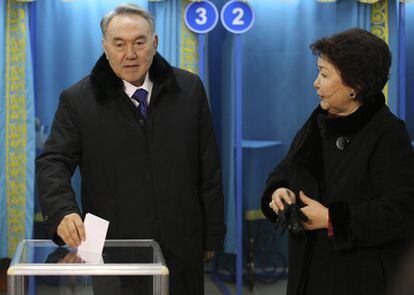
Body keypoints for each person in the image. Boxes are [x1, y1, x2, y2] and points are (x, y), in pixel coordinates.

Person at [36, 4, 226, 294]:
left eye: (139, 42)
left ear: (155, 43)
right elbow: (53, 162)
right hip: (115, 251)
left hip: (181, 244)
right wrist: (62, 210)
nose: (131, 54)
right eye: (119, 44)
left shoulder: (189, 89)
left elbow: (208, 166)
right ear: (105, 47)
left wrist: (211, 235)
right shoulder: (77, 101)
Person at [261, 28, 414, 295]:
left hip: (357, 279)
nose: (315, 83)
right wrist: (278, 190)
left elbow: (399, 213)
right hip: (305, 277)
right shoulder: (318, 122)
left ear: (355, 87)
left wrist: (333, 218)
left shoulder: (389, 134)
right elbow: (286, 169)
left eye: (324, 74)